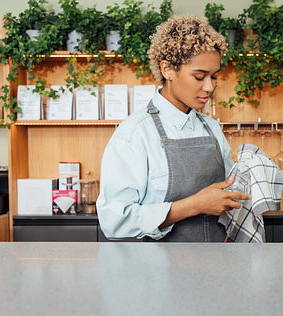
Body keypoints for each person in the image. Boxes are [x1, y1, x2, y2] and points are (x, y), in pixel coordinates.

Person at [96, 15, 251, 242]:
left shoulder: (212, 129)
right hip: (158, 273)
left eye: (214, 76)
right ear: (168, 70)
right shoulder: (135, 133)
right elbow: (114, 222)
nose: (209, 87)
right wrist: (195, 205)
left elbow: (229, 198)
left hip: (217, 268)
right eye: (199, 76)